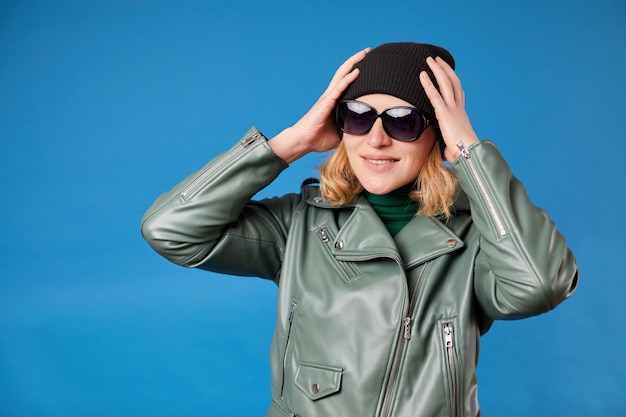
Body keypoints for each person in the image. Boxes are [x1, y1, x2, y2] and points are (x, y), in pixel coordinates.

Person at [141, 42, 578, 417]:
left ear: (437, 136)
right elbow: (170, 229)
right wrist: (290, 142)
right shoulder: (299, 225)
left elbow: (540, 284)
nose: (376, 139)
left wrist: (470, 153)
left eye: (404, 121)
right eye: (357, 116)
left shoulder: (476, 239)